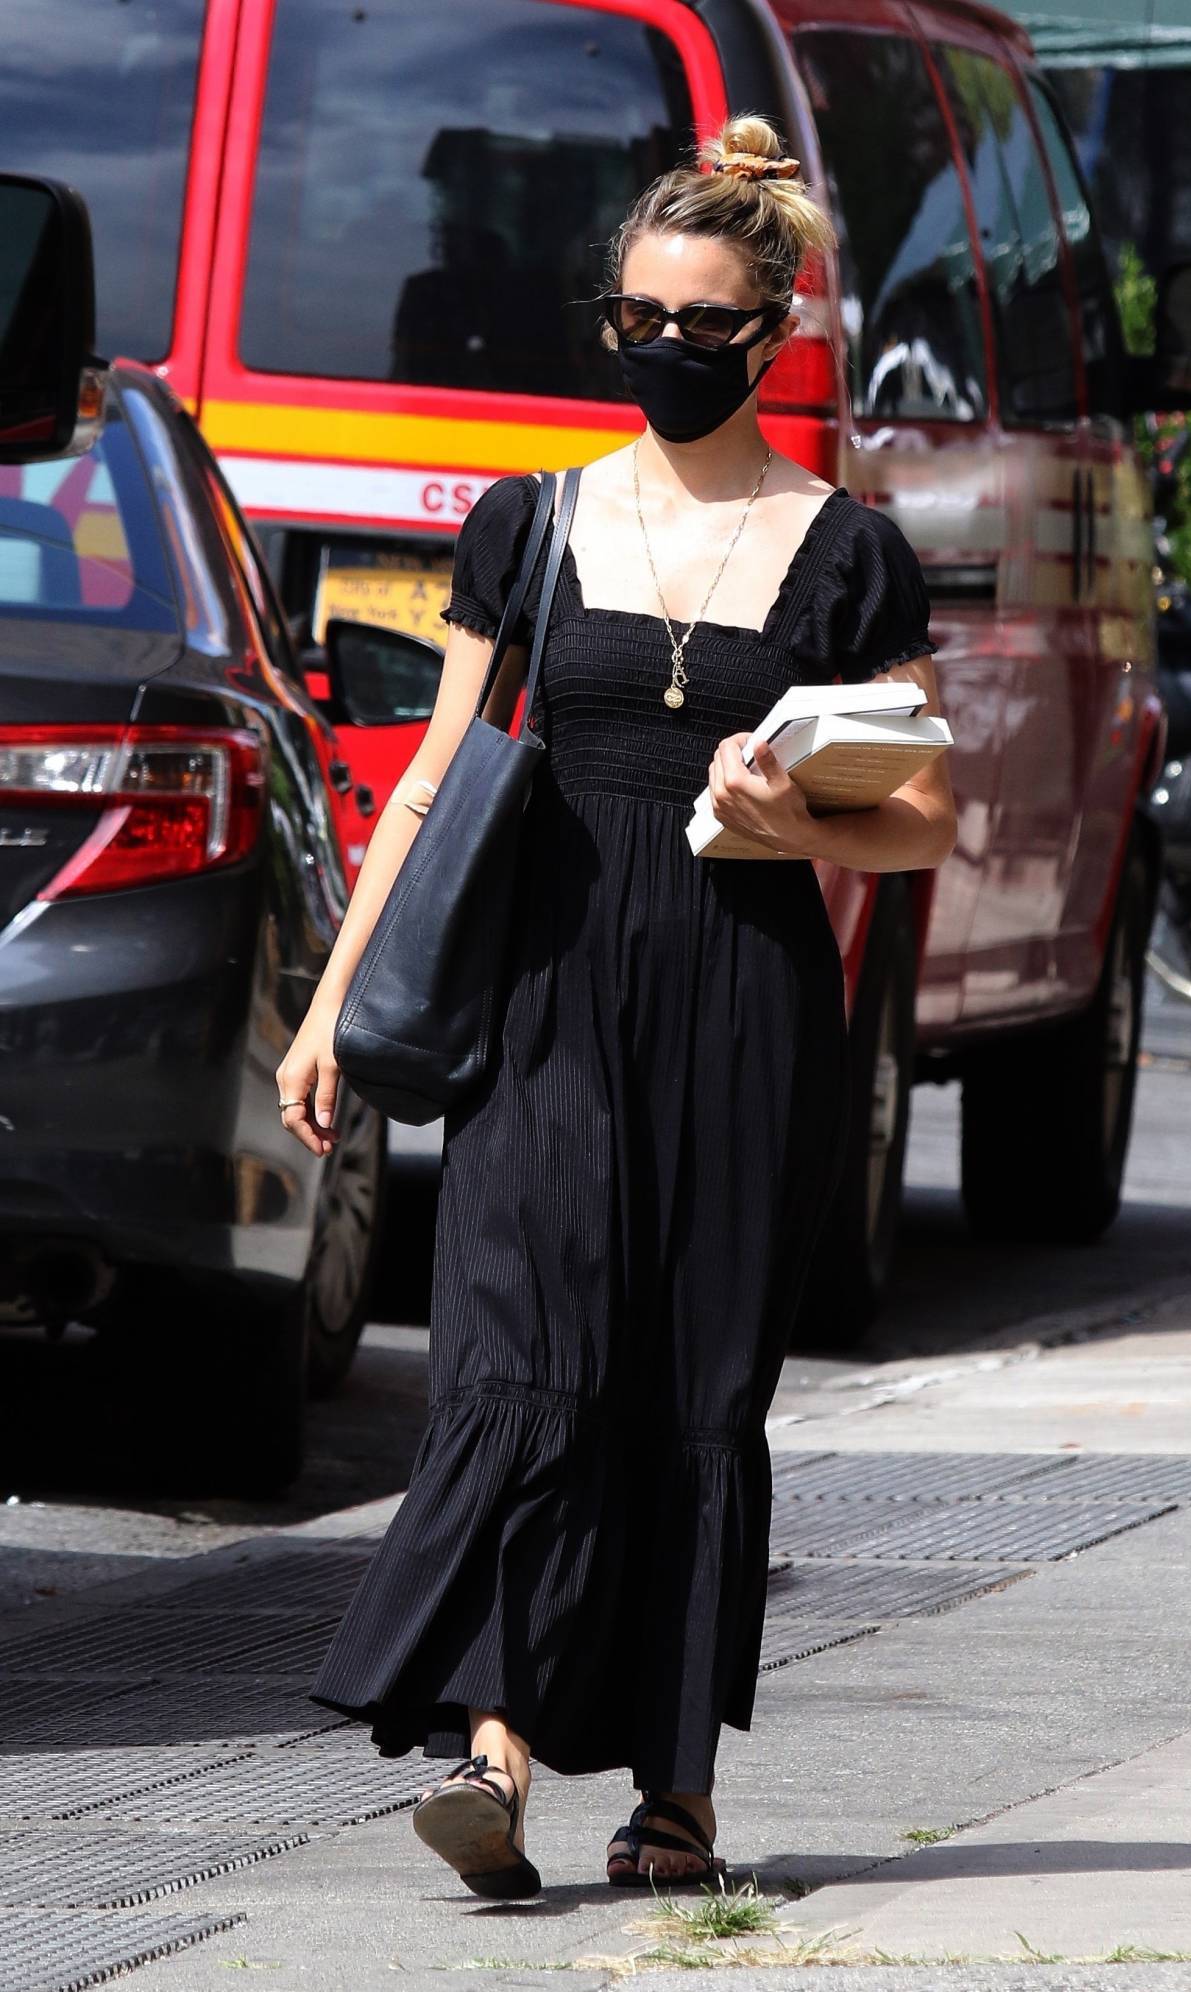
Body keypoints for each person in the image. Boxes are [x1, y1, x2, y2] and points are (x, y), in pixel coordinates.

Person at [278, 113, 956, 1900]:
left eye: (700, 318)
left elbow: (928, 817)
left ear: (772, 329)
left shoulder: (844, 556)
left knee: (695, 1388)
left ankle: (676, 1793)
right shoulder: (533, 521)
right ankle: (492, 1752)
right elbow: (432, 778)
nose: (662, 345)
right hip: (547, 993)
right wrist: (329, 1005)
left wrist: (790, 811)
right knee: (520, 1353)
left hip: (743, 997)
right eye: (634, 314)